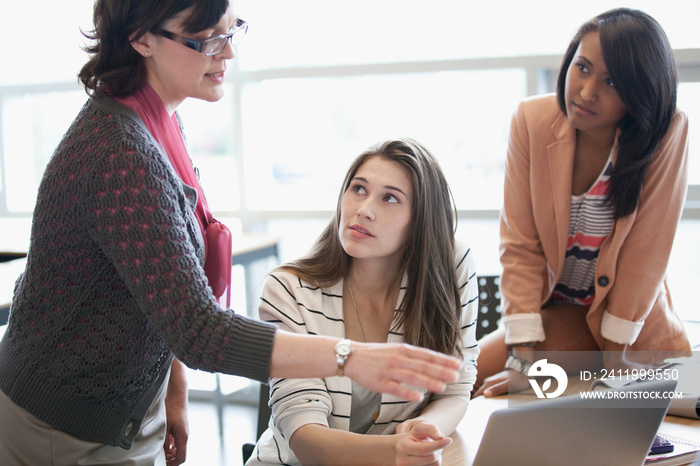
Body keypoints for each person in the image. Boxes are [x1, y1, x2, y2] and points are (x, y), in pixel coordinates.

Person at [0, 2, 461, 465]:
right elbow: (201, 330)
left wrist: (169, 388)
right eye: (205, 39)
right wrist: (351, 358)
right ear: (141, 39)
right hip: (65, 421)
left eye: (230, 32)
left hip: (122, 405)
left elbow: (162, 282)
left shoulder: (158, 122)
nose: (227, 54)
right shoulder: (121, 153)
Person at [474, 8, 691, 398]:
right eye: (583, 68)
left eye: (612, 82)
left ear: (639, 93)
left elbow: (646, 256)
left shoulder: (666, 131)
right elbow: (520, 247)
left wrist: (616, 366)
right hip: (557, 312)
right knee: (467, 375)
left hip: (624, 328)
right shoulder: (531, 120)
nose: (588, 92)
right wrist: (522, 363)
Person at [247, 138, 479, 466]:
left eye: (389, 198)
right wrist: (396, 452)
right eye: (358, 189)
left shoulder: (451, 264)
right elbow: (305, 438)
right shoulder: (287, 290)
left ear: (419, 221)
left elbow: (457, 386)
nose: (364, 210)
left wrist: (428, 428)